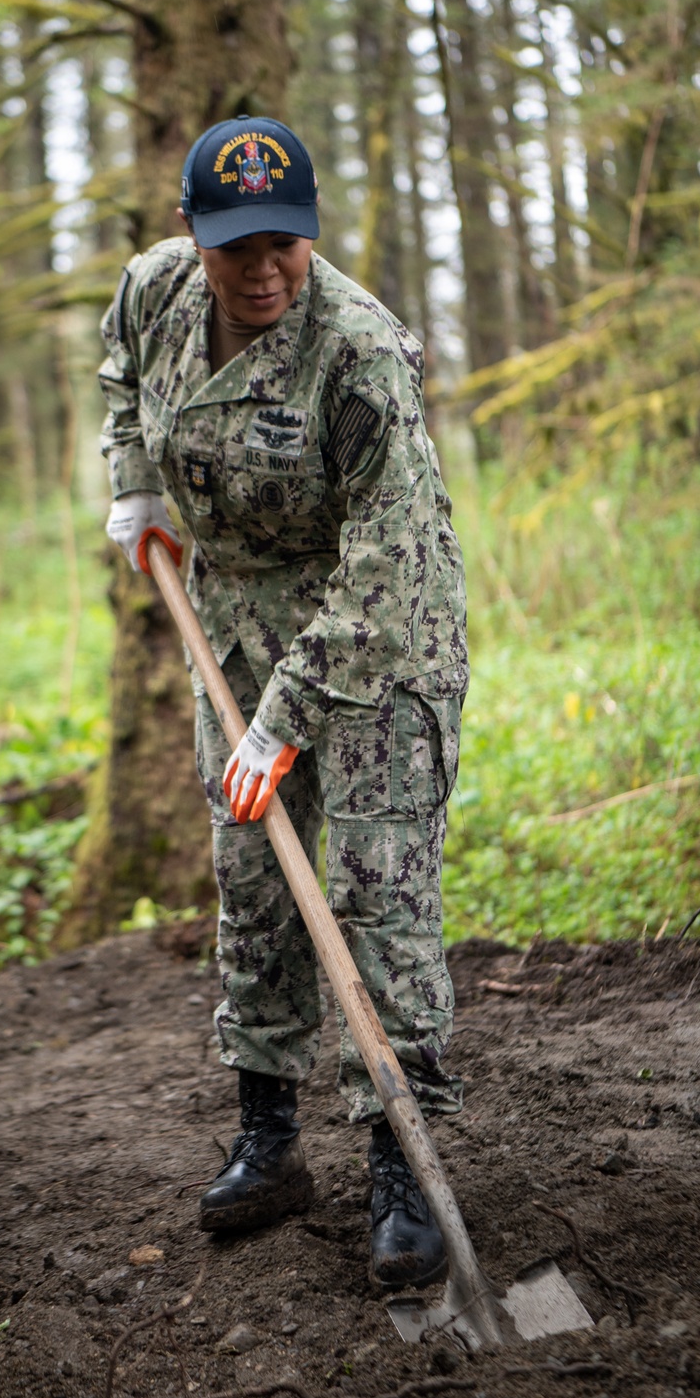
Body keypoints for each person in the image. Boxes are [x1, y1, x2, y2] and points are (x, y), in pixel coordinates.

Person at [99, 115, 469, 1292]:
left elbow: (385, 568)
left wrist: (285, 717)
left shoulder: (359, 352)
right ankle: (267, 1135)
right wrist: (135, 483)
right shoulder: (156, 292)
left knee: (370, 893)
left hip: (374, 639)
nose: (263, 272)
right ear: (190, 237)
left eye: (286, 247)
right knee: (255, 882)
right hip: (234, 620)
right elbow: (120, 377)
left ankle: (398, 1161)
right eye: (237, 248)